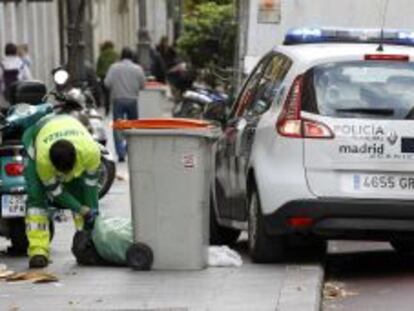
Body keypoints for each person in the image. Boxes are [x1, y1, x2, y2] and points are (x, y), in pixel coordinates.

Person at [22, 114, 101, 268]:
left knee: (79, 191)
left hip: (71, 127)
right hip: (38, 137)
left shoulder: (91, 152)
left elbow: (90, 188)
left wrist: (92, 211)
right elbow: (56, 192)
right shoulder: (43, 160)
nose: (63, 177)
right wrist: (79, 209)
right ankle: (38, 251)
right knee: (36, 199)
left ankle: (87, 244)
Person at [105, 47, 146, 162]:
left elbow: (107, 83)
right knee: (133, 126)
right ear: (132, 56)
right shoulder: (137, 68)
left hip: (118, 99)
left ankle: (121, 152)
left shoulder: (114, 68)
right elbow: (143, 85)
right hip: (132, 100)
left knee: (118, 127)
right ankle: (131, 149)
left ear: (121, 56)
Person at [96, 41, 119, 115]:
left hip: (104, 76)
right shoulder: (116, 54)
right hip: (114, 77)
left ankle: (107, 110)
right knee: (115, 93)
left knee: (106, 95)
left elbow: (98, 68)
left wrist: (99, 75)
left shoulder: (101, 55)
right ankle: (114, 108)